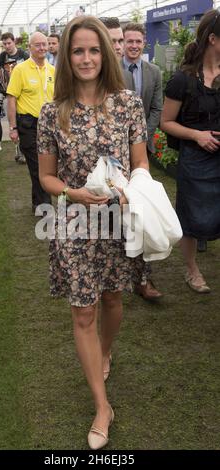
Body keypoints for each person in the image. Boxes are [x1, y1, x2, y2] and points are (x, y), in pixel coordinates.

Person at [37, 15, 149, 449]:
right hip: (75, 221)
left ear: (106, 52)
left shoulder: (128, 104)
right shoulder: (53, 112)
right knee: (83, 310)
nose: (86, 58)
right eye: (78, 50)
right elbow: (47, 178)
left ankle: (104, 353)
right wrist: (75, 192)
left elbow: (140, 162)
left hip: (118, 221)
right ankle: (102, 406)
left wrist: (127, 186)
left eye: (94, 50)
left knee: (113, 298)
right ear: (67, 56)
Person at [160, 9, 220, 293]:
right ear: (212, 39)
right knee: (191, 217)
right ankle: (192, 270)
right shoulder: (183, 79)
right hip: (195, 162)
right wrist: (197, 134)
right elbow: (166, 122)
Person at [122, 23, 163, 300]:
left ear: (144, 43)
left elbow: (157, 107)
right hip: (111, 153)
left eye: (138, 41)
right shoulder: (111, 69)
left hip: (140, 152)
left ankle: (143, 278)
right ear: (122, 43)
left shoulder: (154, 72)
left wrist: (143, 138)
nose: (134, 45)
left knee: (141, 212)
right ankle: (118, 273)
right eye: (130, 41)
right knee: (116, 211)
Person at [7, 32, 55, 213]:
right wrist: (12, 127)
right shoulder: (20, 70)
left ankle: (37, 203)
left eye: (45, 44)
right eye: (38, 45)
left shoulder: (52, 70)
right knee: (37, 165)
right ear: (30, 48)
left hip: (49, 124)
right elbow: (11, 99)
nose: (42, 48)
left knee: (47, 165)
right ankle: (46, 207)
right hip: (28, 124)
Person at [99, 17, 134, 90]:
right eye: (112, 41)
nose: (118, 47)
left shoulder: (128, 77)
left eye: (120, 41)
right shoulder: (87, 77)